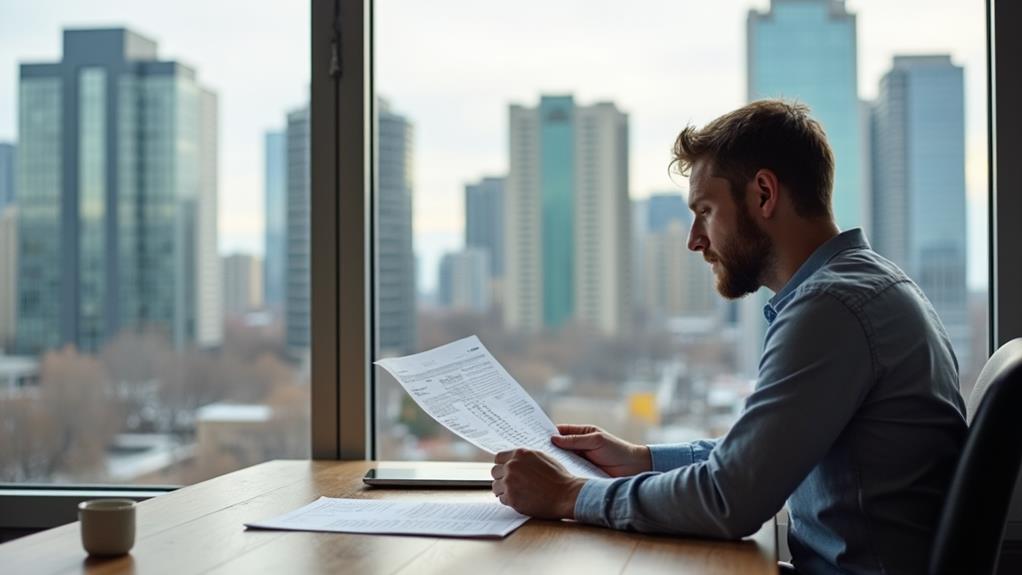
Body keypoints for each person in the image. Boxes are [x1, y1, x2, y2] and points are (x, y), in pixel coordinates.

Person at [490, 100, 967, 574]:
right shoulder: (863, 288)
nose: (694, 240)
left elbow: (729, 498)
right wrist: (641, 459)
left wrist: (569, 494)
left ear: (764, 194)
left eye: (706, 210)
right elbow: (755, 458)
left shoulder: (831, 309)